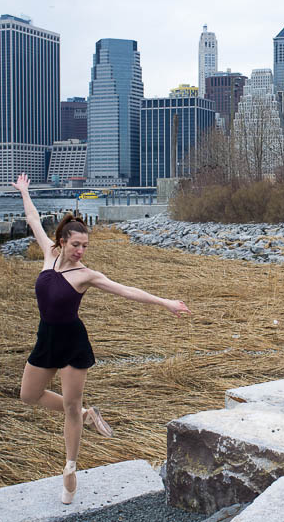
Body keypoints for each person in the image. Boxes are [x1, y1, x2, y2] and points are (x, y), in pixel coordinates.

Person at [11, 173, 191, 504]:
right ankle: (87, 416)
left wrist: (166, 302)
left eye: (85, 246)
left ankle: (70, 469)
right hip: (45, 339)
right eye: (76, 245)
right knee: (28, 395)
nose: (81, 251)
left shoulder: (86, 275)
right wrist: (25, 191)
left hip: (73, 343)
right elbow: (33, 219)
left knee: (69, 404)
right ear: (62, 242)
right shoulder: (48, 255)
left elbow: (127, 291)